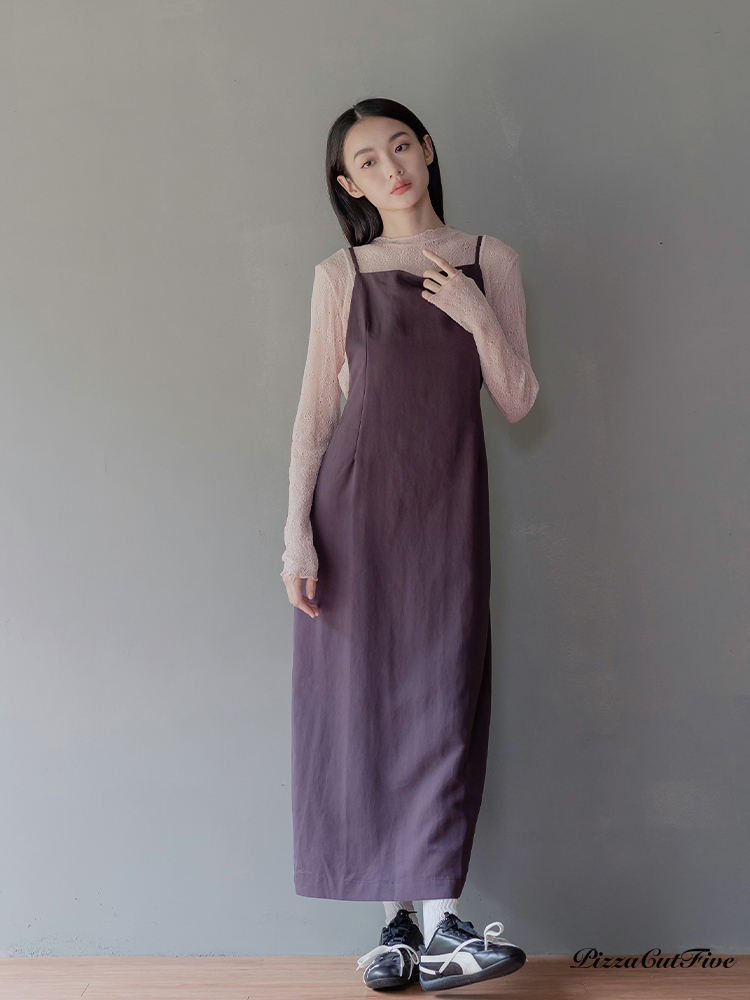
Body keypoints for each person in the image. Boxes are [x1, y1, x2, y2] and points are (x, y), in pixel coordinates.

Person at [280, 97, 539, 992]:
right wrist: (296, 538)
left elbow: (519, 399)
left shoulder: (490, 260)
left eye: (401, 146)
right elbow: (316, 413)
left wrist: (475, 311)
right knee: (363, 705)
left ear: (427, 150)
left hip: (446, 509)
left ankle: (437, 925)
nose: (390, 167)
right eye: (368, 160)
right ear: (349, 184)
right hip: (354, 512)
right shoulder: (340, 274)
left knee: (438, 698)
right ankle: (400, 927)